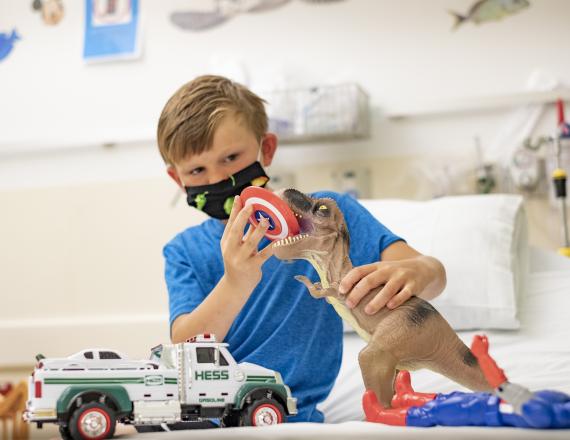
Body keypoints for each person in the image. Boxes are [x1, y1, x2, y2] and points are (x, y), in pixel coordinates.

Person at [156, 75, 447, 423]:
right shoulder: (183, 251)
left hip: (283, 415)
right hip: (199, 418)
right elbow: (187, 349)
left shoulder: (326, 214)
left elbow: (430, 276)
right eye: (197, 170)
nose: (218, 179)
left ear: (266, 149)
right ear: (178, 179)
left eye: (231, 157)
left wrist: (419, 271)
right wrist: (235, 283)